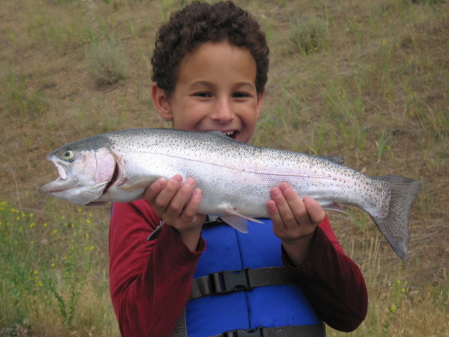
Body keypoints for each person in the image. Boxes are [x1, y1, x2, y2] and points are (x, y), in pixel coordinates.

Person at [108, 2, 368, 336]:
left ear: (259, 101)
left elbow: (350, 315)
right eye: (203, 93)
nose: (222, 112)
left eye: (240, 94)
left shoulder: (290, 189)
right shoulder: (140, 200)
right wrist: (181, 233)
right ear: (163, 100)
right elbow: (137, 329)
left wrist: (305, 242)